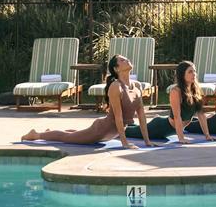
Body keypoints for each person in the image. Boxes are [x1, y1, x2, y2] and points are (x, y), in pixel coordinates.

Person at [21, 55, 156, 149]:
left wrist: (147, 141)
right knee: (67, 138)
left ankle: (50, 132)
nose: (127, 60)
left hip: (110, 133)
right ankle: (36, 134)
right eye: (122, 60)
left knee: (77, 134)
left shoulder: (137, 86)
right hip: (102, 130)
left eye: (126, 58)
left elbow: (142, 116)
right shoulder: (116, 87)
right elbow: (118, 118)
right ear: (116, 69)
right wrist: (125, 143)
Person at [125, 61, 215, 144]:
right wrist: (181, 138)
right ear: (182, 75)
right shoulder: (176, 91)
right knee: (128, 131)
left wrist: (207, 135)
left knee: (132, 127)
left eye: (194, 71)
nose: (194, 74)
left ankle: (126, 121)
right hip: (160, 128)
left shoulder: (195, 90)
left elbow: (201, 114)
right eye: (190, 72)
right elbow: (177, 116)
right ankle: (116, 123)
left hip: (168, 130)